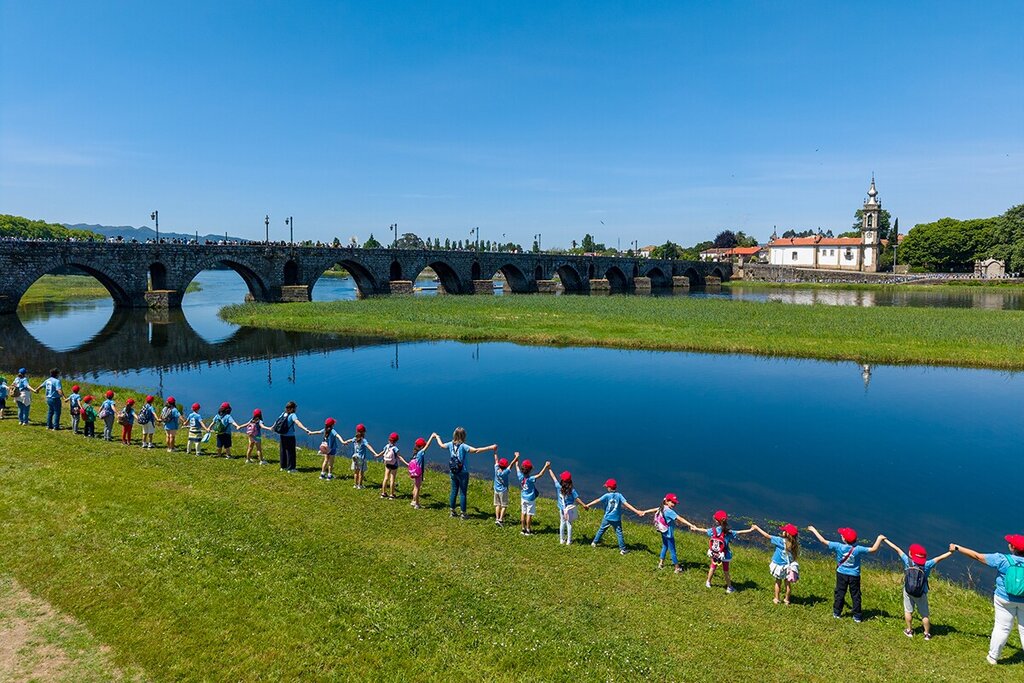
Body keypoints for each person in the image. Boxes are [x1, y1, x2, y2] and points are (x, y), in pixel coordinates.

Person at [949, 534, 1024, 664]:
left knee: (1002, 628)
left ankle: (993, 657)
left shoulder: (1002, 559)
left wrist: (957, 547)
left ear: (1012, 547)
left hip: (1004, 599)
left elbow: (977, 556)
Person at [807, 526, 886, 622]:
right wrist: (879, 538)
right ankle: (857, 617)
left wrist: (814, 530)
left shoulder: (838, 546)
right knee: (856, 595)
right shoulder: (858, 549)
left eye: (842, 535)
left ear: (844, 539)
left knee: (840, 593)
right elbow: (873, 549)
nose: (841, 535)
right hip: (854, 575)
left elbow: (823, 541)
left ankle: (837, 613)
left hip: (841, 574)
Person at [883, 538, 953, 640]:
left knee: (908, 611)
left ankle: (909, 630)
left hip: (908, 591)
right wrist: (951, 552)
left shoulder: (908, 561)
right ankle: (927, 634)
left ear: (911, 554)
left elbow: (897, 549)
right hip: (921, 593)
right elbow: (939, 558)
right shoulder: (927, 565)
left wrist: (885, 540)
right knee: (924, 615)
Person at [427, 427, 497, 520]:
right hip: (463, 472)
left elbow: (441, 445)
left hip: (453, 471)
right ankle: (463, 514)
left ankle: (452, 512)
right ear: (464, 436)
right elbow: (476, 450)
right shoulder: (463, 446)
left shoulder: (450, 444)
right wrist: (490, 447)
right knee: (463, 493)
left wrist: (437, 437)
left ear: (454, 435)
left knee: (454, 491)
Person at [690, 510, 757, 593]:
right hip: (725, 554)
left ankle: (708, 582)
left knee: (712, 567)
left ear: (716, 521)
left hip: (715, 553)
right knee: (726, 571)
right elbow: (739, 532)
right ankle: (729, 587)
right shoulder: (728, 532)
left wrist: (696, 528)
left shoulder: (713, 530)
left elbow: (705, 530)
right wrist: (750, 530)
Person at [585, 479, 645, 555]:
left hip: (607, 517)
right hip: (616, 519)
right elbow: (627, 504)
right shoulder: (619, 495)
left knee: (601, 530)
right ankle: (622, 549)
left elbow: (597, 500)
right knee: (619, 533)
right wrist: (637, 511)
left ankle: (594, 543)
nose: (607, 488)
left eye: (607, 487)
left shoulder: (607, 495)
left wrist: (588, 505)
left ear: (609, 488)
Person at [639, 494, 696, 573]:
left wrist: (644, 511)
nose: (674, 504)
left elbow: (654, 509)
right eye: (672, 502)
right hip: (669, 534)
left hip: (663, 532)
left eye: (675, 503)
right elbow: (680, 518)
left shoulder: (662, 507)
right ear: (666, 501)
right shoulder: (669, 511)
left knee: (665, 546)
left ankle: (661, 564)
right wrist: (691, 525)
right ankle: (677, 568)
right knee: (673, 551)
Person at [751, 523, 801, 604]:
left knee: (778, 582)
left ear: (787, 533)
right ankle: (787, 600)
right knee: (787, 584)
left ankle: (777, 599)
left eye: (784, 531)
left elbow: (767, 535)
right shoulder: (794, 543)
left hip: (778, 566)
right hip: (788, 567)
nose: (782, 532)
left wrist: (757, 528)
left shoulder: (779, 540)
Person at [549, 470, 587, 546]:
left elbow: (553, 477)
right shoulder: (572, 490)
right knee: (569, 524)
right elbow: (577, 499)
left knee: (562, 523)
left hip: (562, 509)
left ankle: (561, 539)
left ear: (562, 480)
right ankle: (569, 541)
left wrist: (549, 469)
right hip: (569, 509)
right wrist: (584, 505)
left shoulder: (559, 487)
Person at [274, 401, 313, 472]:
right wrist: (305, 429)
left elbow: (277, 421)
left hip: (282, 435)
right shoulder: (292, 415)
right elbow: (297, 422)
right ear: (292, 408)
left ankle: (283, 467)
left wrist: (272, 427)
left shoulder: (283, 414)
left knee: (283, 451)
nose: (295, 409)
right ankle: (291, 468)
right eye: (295, 408)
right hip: (290, 436)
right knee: (290, 451)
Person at [516, 457, 551, 536]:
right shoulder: (530, 479)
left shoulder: (520, 476)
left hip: (523, 497)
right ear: (530, 470)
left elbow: (517, 466)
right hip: (530, 499)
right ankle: (528, 530)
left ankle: (523, 529)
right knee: (529, 514)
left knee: (523, 513)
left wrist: (517, 458)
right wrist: (546, 466)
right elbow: (540, 475)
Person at [399, 437, 428, 509]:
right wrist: (432, 437)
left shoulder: (415, 453)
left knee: (415, 487)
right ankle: (417, 504)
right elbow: (427, 446)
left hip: (414, 472)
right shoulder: (420, 453)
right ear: (422, 447)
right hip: (418, 473)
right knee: (417, 488)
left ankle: (413, 501)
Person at [493, 452, 520, 526]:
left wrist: (495, 452)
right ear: (505, 466)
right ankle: (501, 520)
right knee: (504, 506)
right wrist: (516, 457)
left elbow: (496, 460)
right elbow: (511, 464)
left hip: (496, 490)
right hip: (503, 491)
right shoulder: (505, 472)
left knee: (497, 505)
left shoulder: (496, 469)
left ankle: (497, 519)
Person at [348, 424, 378, 489]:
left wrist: (345, 442)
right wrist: (375, 453)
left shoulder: (355, 439)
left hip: (355, 457)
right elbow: (368, 446)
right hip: (361, 459)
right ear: (363, 432)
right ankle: (360, 485)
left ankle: (355, 485)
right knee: (361, 472)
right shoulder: (364, 440)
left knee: (356, 472)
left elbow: (350, 440)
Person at [379, 432, 402, 499]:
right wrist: (407, 463)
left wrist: (377, 455)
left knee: (386, 478)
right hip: (394, 465)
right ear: (396, 440)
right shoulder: (395, 448)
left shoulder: (387, 446)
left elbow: (383, 452)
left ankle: (383, 493)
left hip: (387, 463)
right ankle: (391, 495)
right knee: (392, 479)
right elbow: (399, 456)